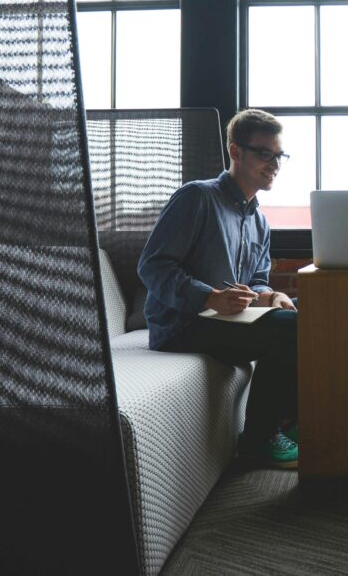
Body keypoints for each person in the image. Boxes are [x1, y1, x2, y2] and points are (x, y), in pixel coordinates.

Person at [137, 108, 299, 468]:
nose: (274, 164)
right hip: (182, 325)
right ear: (236, 151)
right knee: (293, 329)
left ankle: (291, 420)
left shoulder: (259, 220)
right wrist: (209, 297)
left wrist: (270, 295)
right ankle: (258, 440)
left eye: (279, 156)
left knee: (309, 311)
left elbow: (256, 280)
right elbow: (152, 266)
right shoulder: (197, 197)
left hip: (229, 321)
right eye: (264, 154)